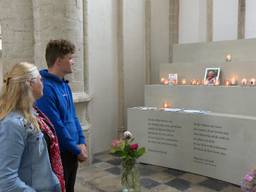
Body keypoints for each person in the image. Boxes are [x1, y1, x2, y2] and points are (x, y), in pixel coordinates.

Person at [36, 39, 88, 192]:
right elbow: (56, 126)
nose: (73, 62)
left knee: (70, 188)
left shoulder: (65, 85)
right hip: (59, 153)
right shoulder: (45, 88)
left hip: (72, 149)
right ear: (59, 61)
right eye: (70, 58)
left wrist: (82, 142)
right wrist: (77, 149)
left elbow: (74, 117)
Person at [0, 62, 61, 192]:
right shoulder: (12, 124)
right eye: (40, 78)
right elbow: (6, 181)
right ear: (30, 83)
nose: (42, 81)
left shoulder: (31, 112)